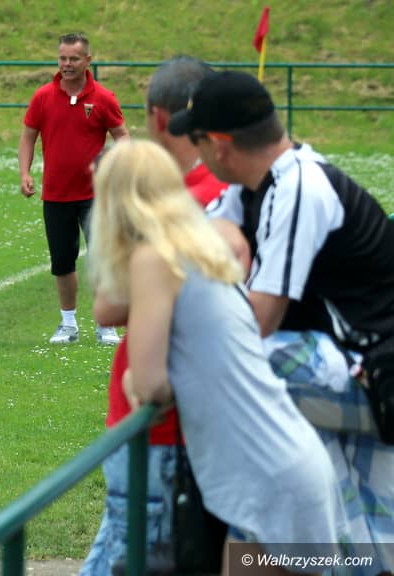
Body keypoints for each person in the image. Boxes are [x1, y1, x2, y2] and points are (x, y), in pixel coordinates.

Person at [169, 69, 394, 573]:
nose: (196, 154)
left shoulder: (300, 188)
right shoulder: (256, 185)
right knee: (362, 541)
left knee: (228, 360)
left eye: (197, 141)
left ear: (220, 145)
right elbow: (203, 230)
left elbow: (259, 321)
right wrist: (222, 231)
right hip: (347, 371)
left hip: (372, 377)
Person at [89, 140, 346, 572]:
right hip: (286, 465)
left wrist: (136, 380)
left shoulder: (156, 258)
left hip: (266, 477)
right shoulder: (198, 247)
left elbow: (150, 385)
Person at [81, 56, 229, 576]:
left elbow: (107, 304)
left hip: (160, 431)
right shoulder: (230, 193)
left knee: (135, 555)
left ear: (159, 118)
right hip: (201, 426)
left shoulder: (183, 203)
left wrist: (115, 209)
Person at [18, 32, 129, 346]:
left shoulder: (103, 98)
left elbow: (123, 137)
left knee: (103, 258)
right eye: (62, 58)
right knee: (62, 262)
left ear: (87, 60)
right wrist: (24, 173)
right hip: (56, 195)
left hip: (96, 196)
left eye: (74, 58)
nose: (67, 64)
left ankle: (106, 324)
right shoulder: (43, 97)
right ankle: (68, 325)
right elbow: (28, 136)